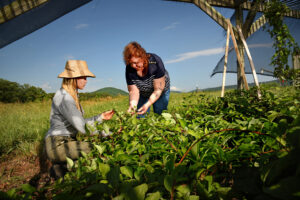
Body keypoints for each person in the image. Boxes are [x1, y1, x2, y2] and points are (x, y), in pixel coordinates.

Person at [44, 60, 115, 178]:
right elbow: (83, 128)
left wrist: (100, 117)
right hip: (57, 145)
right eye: (83, 77)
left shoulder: (71, 95)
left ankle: (61, 168)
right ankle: (62, 168)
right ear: (73, 78)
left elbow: (79, 123)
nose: (86, 81)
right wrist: (109, 134)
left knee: (88, 156)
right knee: (96, 149)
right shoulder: (65, 98)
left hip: (66, 141)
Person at [123, 41, 170, 116]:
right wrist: (132, 104)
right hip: (143, 92)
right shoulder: (129, 69)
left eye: (139, 61)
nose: (138, 65)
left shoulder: (155, 61)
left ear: (144, 56)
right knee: (140, 115)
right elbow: (133, 91)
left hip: (160, 91)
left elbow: (158, 89)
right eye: (133, 63)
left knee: (160, 113)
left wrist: (148, 103)